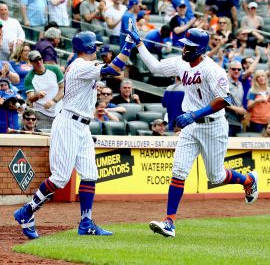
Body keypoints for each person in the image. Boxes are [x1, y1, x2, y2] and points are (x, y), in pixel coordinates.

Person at [126, 25, 259, 238]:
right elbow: (156, 67)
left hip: (213, 125)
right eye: (184, 45)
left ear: (199, 49)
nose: (184, 49)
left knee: (215, 176)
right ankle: (169, 222)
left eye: (189, 46)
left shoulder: (212, 69)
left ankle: (248, 181)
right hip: (191, 126)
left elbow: (224, 99)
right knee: (178, 172)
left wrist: (194, 114)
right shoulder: (181, 63)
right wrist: (139, 43)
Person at [14, 29, 136, 239]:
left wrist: (128, 47)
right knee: (60, 178)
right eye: (95, 46)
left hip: (82, 126)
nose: (98, 49)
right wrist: (128, 44)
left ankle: (86, 223)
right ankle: (26, 211)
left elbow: (116, 69)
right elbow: (115, 68)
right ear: (87, 47)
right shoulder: (80, 65)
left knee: (90, 174)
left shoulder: (85, 65)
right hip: (69, 123)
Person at [24, 50, 64, 130]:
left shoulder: (55, 69)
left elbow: (62, 89)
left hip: (59, 111)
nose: (38, 62)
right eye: (35, 61)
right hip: (41, 113)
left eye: (40, 59)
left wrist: (53, 101)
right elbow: (30, 99)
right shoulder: (29, 78)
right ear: (31, 63)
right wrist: (37, 95)